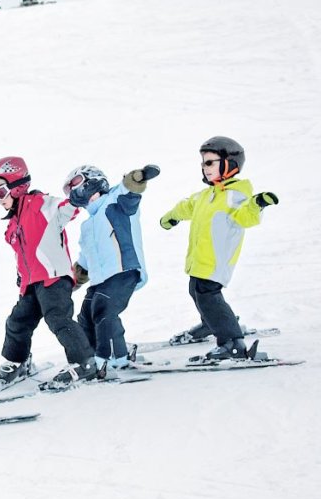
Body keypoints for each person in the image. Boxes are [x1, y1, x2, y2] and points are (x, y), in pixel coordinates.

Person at [0, 156, 98, 389]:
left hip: (53, 277)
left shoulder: (40, 204)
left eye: (0, 192)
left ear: (17, 186)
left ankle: (84, 363)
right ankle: (18, 362)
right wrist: (21, 276)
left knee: (58, 319)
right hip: (30, 282)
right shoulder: (13, 223)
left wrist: (76, 199)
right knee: (17, 321)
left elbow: (65, 210)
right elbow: (23, 253)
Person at [159, 137, 278, 359]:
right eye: (203, 163)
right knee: (196, 291)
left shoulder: (236, 194)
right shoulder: (206, 195)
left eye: (210, 162)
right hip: (199, 260)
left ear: (229, 164)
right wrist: (172, 216)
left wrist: (257, 204)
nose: (205, 168)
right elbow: (187, 206)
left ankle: (232, 342)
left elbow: (245, 217)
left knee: (207, 295)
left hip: (216, 260)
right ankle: (211, 323)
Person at [64, 163, 161, 371]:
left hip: (122, 270)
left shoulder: (115, 202)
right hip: (100, 279)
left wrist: (137, 177)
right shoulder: (87, 225)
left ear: (93, 183)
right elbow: (85, 259)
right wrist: (70, 281)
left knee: (104, 310)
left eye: (76, 184)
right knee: (86, 314)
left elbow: (129, 190)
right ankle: (91, 358)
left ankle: (113, 358)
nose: (73, 190)